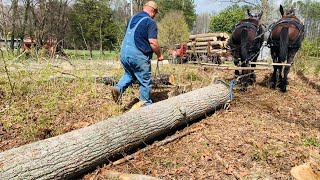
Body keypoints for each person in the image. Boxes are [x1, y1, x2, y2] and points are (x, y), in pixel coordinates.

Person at [111, 1, 163, 106]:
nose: (154, 16)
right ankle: (145, 106)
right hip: (138, 56)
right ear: (153, 11)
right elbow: (153, 42)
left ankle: (118, 88)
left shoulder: (132, 19)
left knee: (130, 74)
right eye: (155, 14)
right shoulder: (150, 22)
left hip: (124, 54)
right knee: (144, 81)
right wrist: (159, 55)